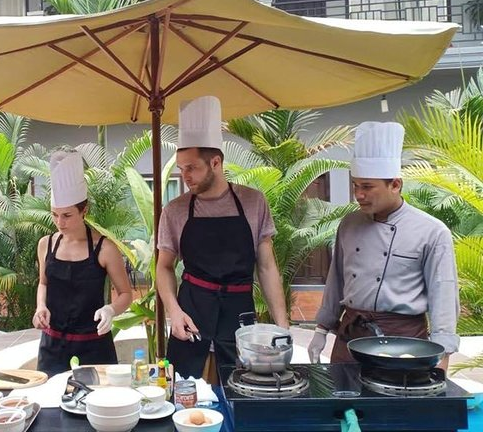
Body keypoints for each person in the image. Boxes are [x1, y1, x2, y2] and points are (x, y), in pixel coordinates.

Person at [156, 96, 289, 379]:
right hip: (191, 314)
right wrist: (174, 312)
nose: (185, 176)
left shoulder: (254, 202)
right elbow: (164, 266)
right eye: (181, 168)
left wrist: (282, 327)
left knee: (240, 393)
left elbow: (266, 267)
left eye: (191, 167)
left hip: (240, 316)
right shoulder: (175, 210)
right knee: (184, 399)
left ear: (215, 162)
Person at [307, 121, 459, 369]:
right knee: (344, 404)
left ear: (395, 184)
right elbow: (337, 281)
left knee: (395, 407)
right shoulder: (349, 223)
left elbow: (443, 294)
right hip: (351, 336)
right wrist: (322, 329)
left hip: (404, 341)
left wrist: (443, 358)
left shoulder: (432, 231)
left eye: (367, 187)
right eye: (355, 185)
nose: (359, 194)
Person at [33, 150, 133, 375]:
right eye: (54, 214)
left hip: (94, 344)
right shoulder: (45, 244)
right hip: (53, 344)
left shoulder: (104, 248)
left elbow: (125, 294)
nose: (60, 222)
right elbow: (44, 283)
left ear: (84, 210)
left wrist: (110, 310)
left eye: (67, 215)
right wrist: (41, 306)